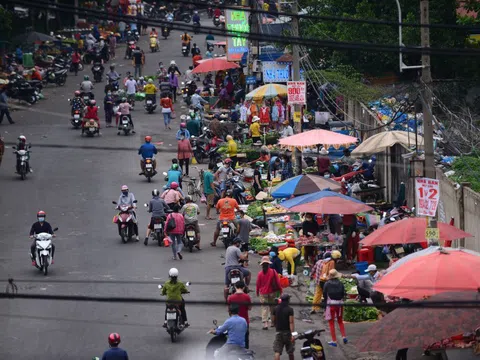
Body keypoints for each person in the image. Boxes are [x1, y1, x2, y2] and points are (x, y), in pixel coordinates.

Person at [323, 269, 347, 347]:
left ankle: (334, 341)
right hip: (340, 304)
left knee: (331, 322)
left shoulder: (327, 284)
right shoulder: (341, 283)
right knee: (340, 321)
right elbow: (344, 294)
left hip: (331, 304)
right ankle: (344, 336)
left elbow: (324, 295)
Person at [256, 256, 282, 329]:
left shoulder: (260, 274)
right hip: (272, 292)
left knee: (264, 308)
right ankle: (273, 322)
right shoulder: (273, 272)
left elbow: (258, 284)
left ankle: (265, 323)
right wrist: (280, 290)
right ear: (269, 264)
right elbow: (278, 282)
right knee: (272, 307)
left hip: (263, 293)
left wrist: (257, 292)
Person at [227, 280, 252, 349]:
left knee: (234, 337)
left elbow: (229, 310)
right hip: (245, 320)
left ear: (235, 287)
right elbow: (250, 308)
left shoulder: (231, 297)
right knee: (245, 337)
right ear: (243, 287)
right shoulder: (247, 297)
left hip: (233, 321)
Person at [272, 293, 295, 360]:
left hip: (278, 332)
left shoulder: (275, 308)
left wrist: (276, 325)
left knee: (277, 351)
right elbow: (291, 322)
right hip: (288, 333)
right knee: (290, 351)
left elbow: (273, 320)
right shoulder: (290, 309)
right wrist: (293, 334)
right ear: (288, 300)